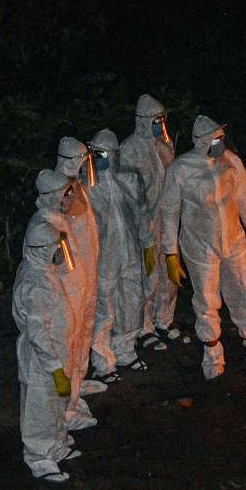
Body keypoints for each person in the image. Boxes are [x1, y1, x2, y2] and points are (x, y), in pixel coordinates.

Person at [159, 115, 246, 380]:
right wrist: (171, 253)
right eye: (215, 139)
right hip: (199, 246)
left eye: (221, 137)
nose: (220, 142)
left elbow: (245, 198)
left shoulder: (231, 162)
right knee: (206, 299)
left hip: (234, 241)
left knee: (245, 292)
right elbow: (169, 212)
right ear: (201, 142)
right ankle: (212, 352)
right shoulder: (181, 169)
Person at [13, 170, 79, 484]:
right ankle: (39, 458)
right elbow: (38, 330)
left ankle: (57, 446)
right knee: (40, 406)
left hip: (56, 350)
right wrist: (54, 367)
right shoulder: (34, 281)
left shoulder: (45, 272)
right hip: (41, 360)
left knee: (57, 403)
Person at [120, 94, 181, 351]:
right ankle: (143, 327)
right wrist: (142, 224)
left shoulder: (165, 146)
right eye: (156, 120)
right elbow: (128, 192)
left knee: (169, 273)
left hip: (166, 219)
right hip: (141, 223)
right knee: (147, 275)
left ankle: (163, 320)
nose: (160, 124)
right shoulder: (130, 149)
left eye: (162, 119)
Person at [88, 128, 147, 382]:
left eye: (102, 153)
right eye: (95, 153)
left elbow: (143, 215)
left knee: (132, 302)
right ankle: (103, 362)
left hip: (130, 253)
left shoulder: (130, 179)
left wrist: (149, 245)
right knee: (104, 309)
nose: (97, 157)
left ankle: (125, 350)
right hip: (103, 258)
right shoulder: (87, 187)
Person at [55, 137, 101, 428]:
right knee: (68, 338)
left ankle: (78, 382)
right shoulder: (58, 192)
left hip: (86, 273)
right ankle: (65, 409)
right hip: (68, 279)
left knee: (84, 331)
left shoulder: (79, 187)